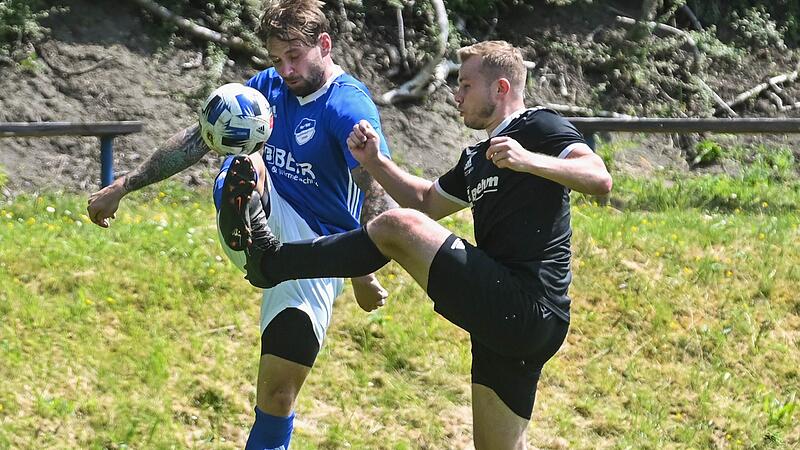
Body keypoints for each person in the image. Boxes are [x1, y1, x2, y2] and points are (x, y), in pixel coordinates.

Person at [233, 40, 613, 449]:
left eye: (465, 86)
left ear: (500, 88)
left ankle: (272, 262)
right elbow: (425, 201)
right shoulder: (477, 157)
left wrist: (528, 160)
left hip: (529, 304)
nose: (456, 96)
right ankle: (273, 261)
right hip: (500, 321)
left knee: (398, 226)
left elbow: (599, 178)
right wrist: (375, 161)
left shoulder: (538, 126)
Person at [86, 1, 397, 448]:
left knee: (277, 394)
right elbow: (197, 139)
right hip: (263, 215)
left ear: (324, 45)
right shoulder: (263, 90)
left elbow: (376, 191)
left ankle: (262, 247)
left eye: (294, 56)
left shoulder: (347, 106)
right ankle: (247, 217)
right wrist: (124, 185)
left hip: (315, 255)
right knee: (245, 152)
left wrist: (363, 272)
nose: (285, 70)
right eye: (276, 59)